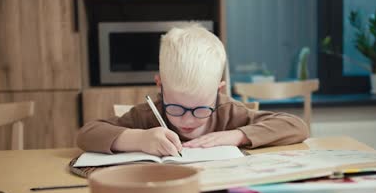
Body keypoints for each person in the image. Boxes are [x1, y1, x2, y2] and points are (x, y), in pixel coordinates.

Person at [76, 23, 309, 157]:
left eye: (200, 109)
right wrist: (138, 138)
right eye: (176, 107)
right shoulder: (146, 115)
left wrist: (236, 136)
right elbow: (87, 134)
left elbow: (296, 126)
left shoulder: (228, 111)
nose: (187, 119)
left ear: (218, 91)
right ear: (160, 86)